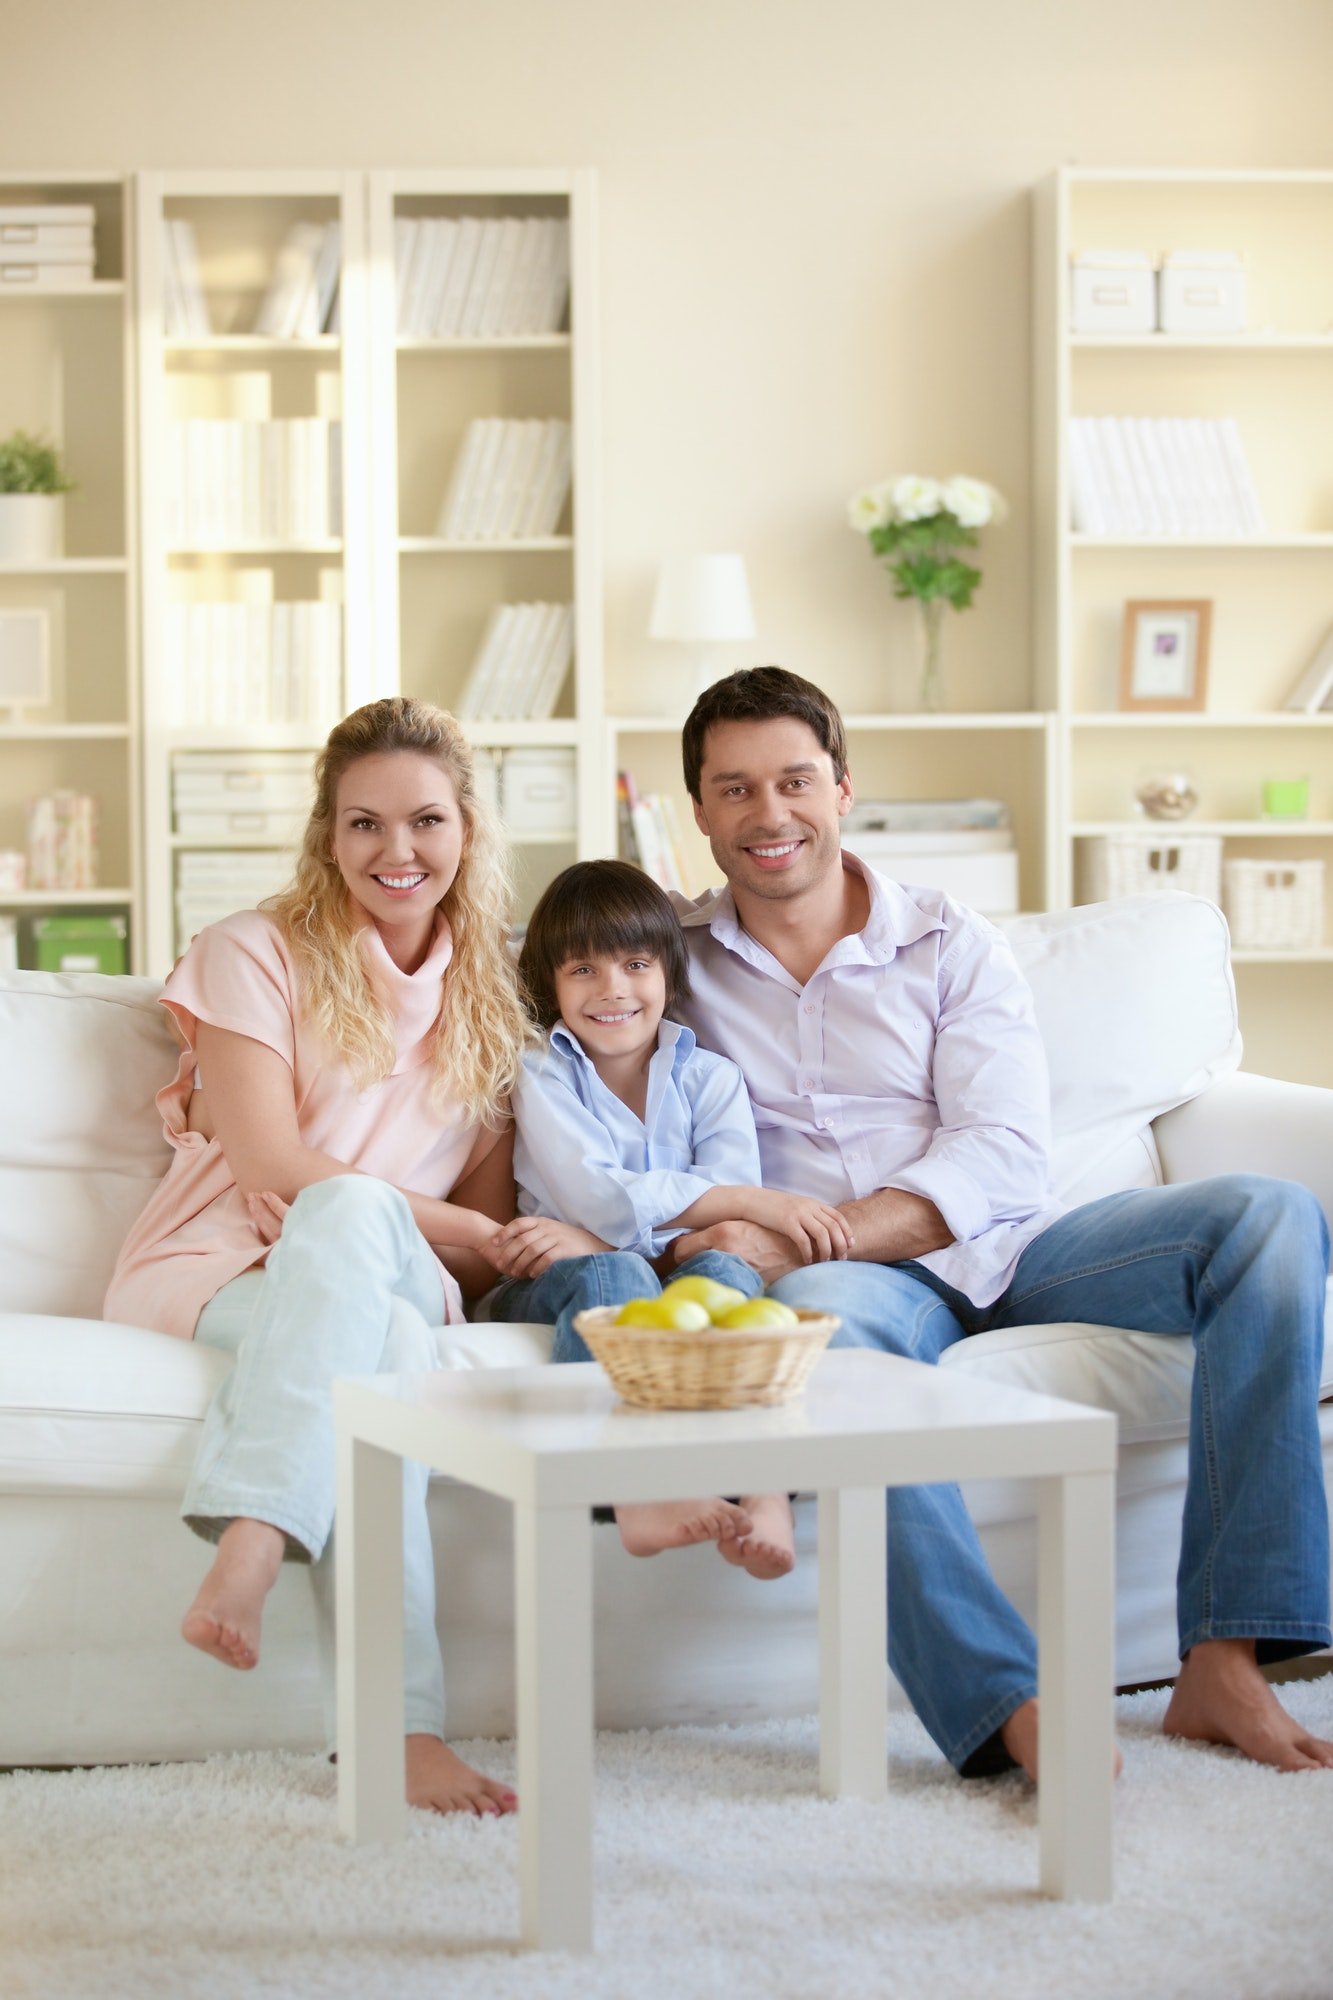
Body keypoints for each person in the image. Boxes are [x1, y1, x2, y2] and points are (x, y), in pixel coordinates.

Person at [660, 664, 1332, 1780]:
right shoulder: (669, 960)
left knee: (1266, 1218)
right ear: (698, 810)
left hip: (1020, 1245)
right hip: (866, 1286)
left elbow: (1002, 1150)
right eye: (733, 788)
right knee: (821, 1323)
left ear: (842, 788)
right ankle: (1004, 1699)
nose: (767, 813)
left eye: (793, 780)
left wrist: (821, 1229)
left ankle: (1225, 1656)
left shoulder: (947, 939)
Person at [105, 696, 530, 1816]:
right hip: (218, 1262)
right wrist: (463, 1230)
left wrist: (481, 1241)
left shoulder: (492, 1002)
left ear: (468, 830)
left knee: (366, 1250)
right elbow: (272, 1159)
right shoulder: (253, 949)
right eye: (365, 824)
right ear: (326, 834)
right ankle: (400, 1731)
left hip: (385, 1265)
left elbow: (482, 1263)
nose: (398, 851)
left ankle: (256, 1526)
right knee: (375, 1324)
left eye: (426, 820)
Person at [481, 857, 854, 1578]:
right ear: (550, 983)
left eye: (634, 964)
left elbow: (719, 1219)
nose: (612, 990)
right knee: (611, 1269)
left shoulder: (709, 1077)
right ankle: (633, 1487)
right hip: (547, 1279)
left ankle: (765, 1486)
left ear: (668, 975)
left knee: (725, 1268)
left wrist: (704, 1220)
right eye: (582, 970)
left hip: (647, 1262)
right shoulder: (539, 1071)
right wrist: (748, 1203)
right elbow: (602, 1194)